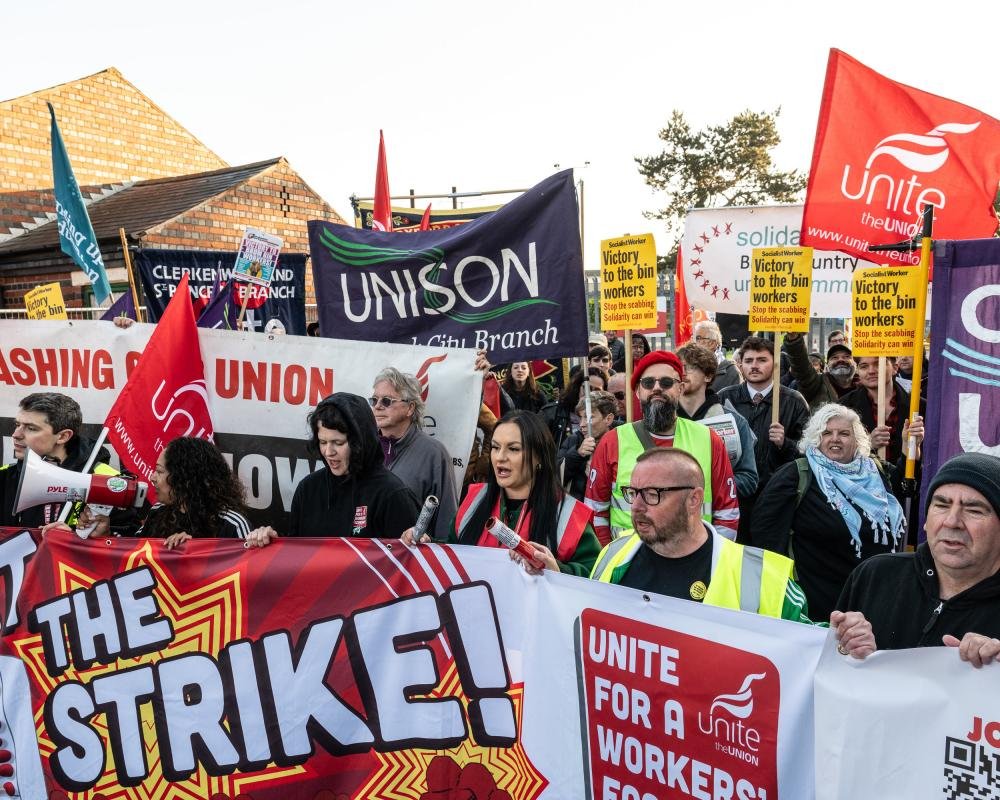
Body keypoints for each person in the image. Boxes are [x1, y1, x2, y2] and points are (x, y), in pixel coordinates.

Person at [589, 448, 810, 621]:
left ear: (694, 499)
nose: (636, 506)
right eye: (632, 493)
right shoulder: (613, 553)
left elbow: (810, 647)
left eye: (652, 494)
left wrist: (834, 637)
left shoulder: (761, 578)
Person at [751, 404, 920, 621]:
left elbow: (903, 495)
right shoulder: (796, 475)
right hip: (817, 607)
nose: (835, 439)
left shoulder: (875, 472)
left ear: (857, 440)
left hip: (873, 601)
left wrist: (909, 450)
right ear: (816, 438)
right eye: (827, 433)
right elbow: (765, 534)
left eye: (844, 434)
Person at [833, 453, 1000, 664]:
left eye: (974, 510)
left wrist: (993, 672)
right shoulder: (875, 575)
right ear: (926, 519)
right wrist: (845, 649)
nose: (952, 521)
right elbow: (828, 668)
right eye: (941, 505)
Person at [585, 351, 740, 546]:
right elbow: (595, 511)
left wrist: (712, 556)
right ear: (638, 391)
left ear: (680, 388)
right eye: (648, 383)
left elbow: (727, 512)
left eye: (666, 383)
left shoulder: (709, 439)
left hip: (693, 558)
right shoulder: (612, 442)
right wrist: (610, 556)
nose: (657, 388)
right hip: (630, 559)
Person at [246, 393, 419, 545]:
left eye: (338, 443)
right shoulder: (308, 488)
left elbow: (410, 561)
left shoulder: (392, 494)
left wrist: (415, 540)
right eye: (323, 442)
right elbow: (294, 555)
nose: (329, 452)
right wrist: (271, 541)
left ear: (360, 442)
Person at [442, 410, 600, 577]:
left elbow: (597, 576)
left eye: (513, 449)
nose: (500, 457)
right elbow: (451, 554)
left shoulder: (569, 514)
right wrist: (428, 545)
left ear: (539, 456)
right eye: (495, 447)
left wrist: (556, 570)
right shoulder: (474, 499)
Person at [718, 336, 810, 542]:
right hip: (735, 495)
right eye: (749, 360)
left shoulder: (793, 401)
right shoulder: (724, 398)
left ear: (775, 364)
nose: (754, 366)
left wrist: (785, 443)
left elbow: (810, 452)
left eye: (762, 360)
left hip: (776, 496)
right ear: (740, 364)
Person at [0, 392, 118, 530]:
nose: (16, 435)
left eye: (31, 428)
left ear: (63, 436)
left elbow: (130, 539)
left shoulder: (108, 483)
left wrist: (78, 539)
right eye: (17, 425)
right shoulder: (4, 476)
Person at [370, 367, 458, 541]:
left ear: (410, 408)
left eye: (386, 401)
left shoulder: (434, 453)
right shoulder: (364, 448)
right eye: (374, 400)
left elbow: (446, 521)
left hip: (411, 554)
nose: (378, 406)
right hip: (364, 554)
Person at [133, 437, 251, 548]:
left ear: (184, 478)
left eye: (159, 471)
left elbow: (249, 561)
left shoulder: (232, 525)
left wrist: (193, 549)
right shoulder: (157, 511)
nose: (152, 478)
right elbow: (131, 554)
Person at [676, 343, 758, 500]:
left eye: (691, 367)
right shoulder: (663, 420)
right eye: (679, 367)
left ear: (708, 376)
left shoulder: (736, 422)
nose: (683, 372)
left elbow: (749, 480)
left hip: (716, 513)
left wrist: (706, 485)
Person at [840, 356, 925, 466]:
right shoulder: (844, 406)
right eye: (864, 366)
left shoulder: (919, 407)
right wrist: (867, 443)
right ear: (858, 371)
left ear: (895, 368)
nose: (871, 371)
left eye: (878, 364)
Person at [558, 390, 618, 501]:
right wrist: (577, 454)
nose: (582, 424)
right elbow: (554, 478)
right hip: (579, 509)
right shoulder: (573, 441)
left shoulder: (621, 442)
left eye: (589, 417)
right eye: (581, 417)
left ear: (608, 419)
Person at [785, 332, 857, 412]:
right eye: (835, 357)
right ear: (827, 365)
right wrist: (794, 340)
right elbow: (802, 367)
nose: (840, 360)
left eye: (846, 356)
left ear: (855, 362)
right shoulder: (817, 383)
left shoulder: (864, 386)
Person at [541, 368, 607, 451]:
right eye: (586, 388)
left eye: (597, 391)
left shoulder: (607, 417)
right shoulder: (552, 412)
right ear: (578, 387)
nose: (590, 394)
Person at [693, 319, 740, 392]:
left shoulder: (731, 372)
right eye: (693, 338)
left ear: (712, 343)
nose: (693, 342)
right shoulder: (689, 367)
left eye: (698, 338)